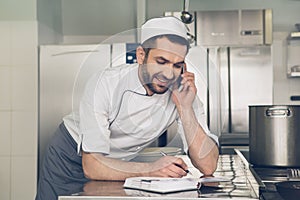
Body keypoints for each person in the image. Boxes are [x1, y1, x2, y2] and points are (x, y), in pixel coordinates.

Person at [35, 16, 219, 200]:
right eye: (161, 61)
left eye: (177, 65)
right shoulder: (106, 83)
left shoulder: (184, 92)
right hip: (69, 157)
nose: (168, 73)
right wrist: (152, 169)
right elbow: (92, 165)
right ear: (141, 56)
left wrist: (185, 108)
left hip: (118, 163)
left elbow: (208, 166)